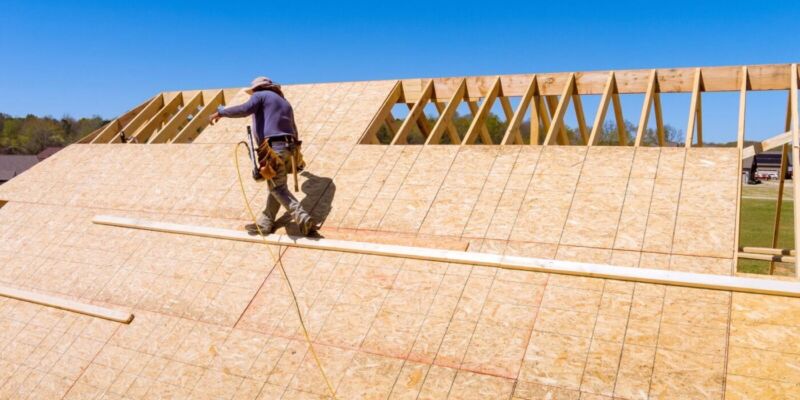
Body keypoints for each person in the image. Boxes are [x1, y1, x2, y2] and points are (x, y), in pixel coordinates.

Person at [209, 77, 317, 236]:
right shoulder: (284, 102)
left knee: (277, 188)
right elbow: (294, 129)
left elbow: (245, 109)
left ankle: (302, 217)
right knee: (275, 185)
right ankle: (265, 223)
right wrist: (297, 155)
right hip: (290, 148)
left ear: (257, 88)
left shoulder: (260, 95)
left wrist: (221, 112)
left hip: (274, 148)